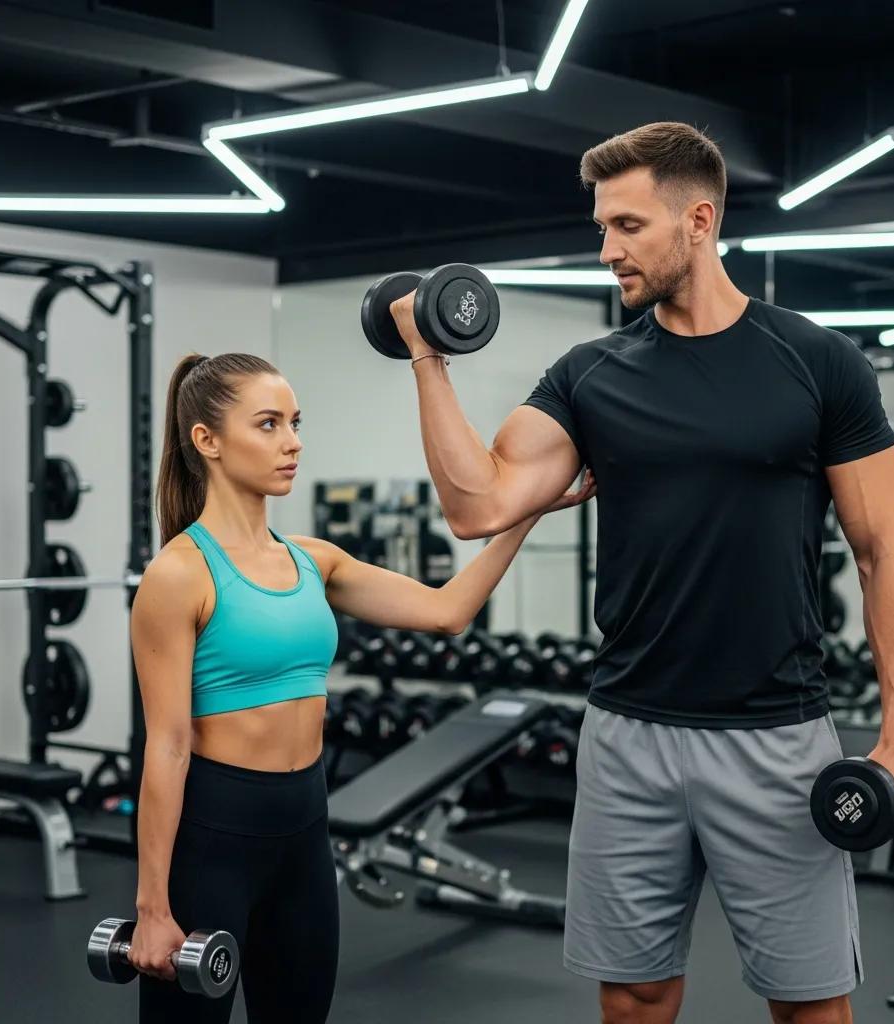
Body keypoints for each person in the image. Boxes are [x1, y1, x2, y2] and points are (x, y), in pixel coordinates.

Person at [387, 122, 894, 1024]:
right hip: (627, 733)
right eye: (603, 227)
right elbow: (476, 504)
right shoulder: (588, 376)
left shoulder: (820, 362)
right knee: (635, 997)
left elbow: (885, 552)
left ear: (699, 221)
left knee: (809, 1005)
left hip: (778, 736)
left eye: (629, 226)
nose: (608, 250)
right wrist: (427, 356)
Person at [127, 351, 596, 1024]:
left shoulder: (314, 561)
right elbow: (167, 747)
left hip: (304, 831)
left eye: (295, 422)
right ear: (207, 441)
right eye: (268, 424)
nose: (292, 442)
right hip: (215, 838)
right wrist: (151, 909)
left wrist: (530, 510)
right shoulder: (179, 575)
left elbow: (447, 611)